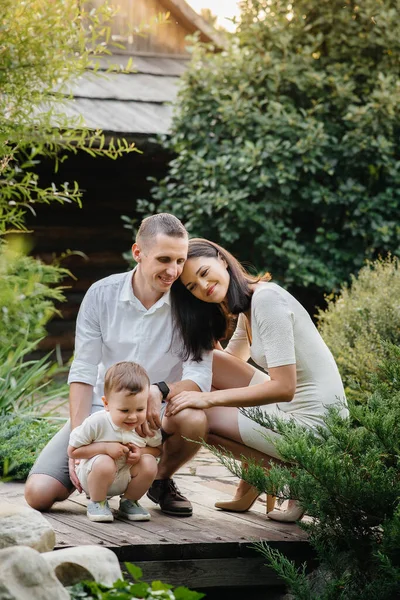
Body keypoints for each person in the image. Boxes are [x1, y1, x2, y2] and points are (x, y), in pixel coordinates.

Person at [25, 214, 212, 518]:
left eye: (180, 260)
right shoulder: (101, 295)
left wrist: (158, 390)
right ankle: (102, 482)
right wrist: (80, 436)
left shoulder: (194, 307)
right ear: (138, 253)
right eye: (164, 259)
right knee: (38, 494)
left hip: (157, 414)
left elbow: (200, 376)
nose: (173, 271)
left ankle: (158, 480)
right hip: (103, 410)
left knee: (194, 419)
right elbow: (83, 370)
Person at [166, 238, 348, 522]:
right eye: (192, 287)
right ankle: (254, 482)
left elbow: (284, 388)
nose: (203, 287)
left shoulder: (267, 301)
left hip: (314, 427)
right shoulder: (249, 304)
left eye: (203, 273)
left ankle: (297, 480)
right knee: (209, 371)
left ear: (222, 260)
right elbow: (223, 366)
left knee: (200, 417)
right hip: (291, 414)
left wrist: (206, 398)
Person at [68, 361, 162, 522]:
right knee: (104, 462)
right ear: (106, 404)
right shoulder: (97, 422)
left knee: (149, 462)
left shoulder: (145, 426)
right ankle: (97, 503)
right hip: (95, 475)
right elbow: (73, 451)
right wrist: (105, 448)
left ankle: (129, 501)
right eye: (124, 410)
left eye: (140, 409)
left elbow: (158, 450)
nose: (133, 417)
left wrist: (140, 453)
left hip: (125, 475)